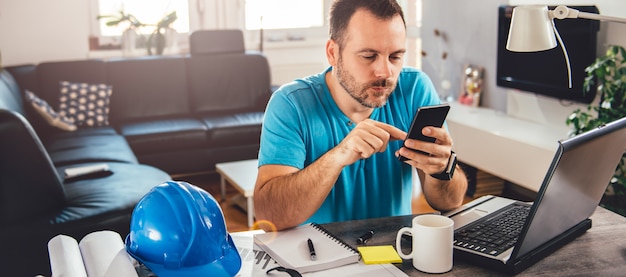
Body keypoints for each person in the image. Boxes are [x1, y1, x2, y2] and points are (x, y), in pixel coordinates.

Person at [254, 0, 467, 231]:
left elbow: (450, 202)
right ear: (333, 53)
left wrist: (442, 168)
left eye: (395, 57)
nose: (385, 72)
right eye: (368, 56)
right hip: (313, 258)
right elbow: (269, 216)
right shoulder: (291, 104)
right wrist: (339, 156)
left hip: (393, 251)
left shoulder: (415, 89)